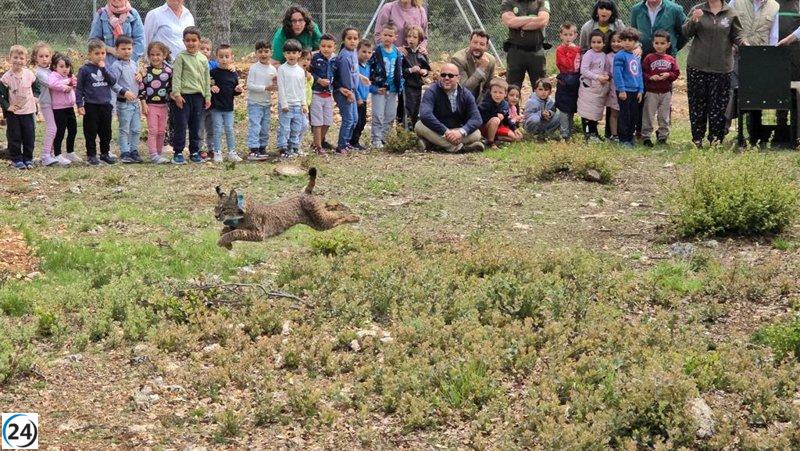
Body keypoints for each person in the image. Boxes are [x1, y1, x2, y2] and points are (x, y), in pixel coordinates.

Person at [683, 0, 745, 147]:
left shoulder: (731, 12)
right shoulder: (697, 9)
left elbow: (737, 35)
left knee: (718, 105)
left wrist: (744, 43)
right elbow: (686, 32)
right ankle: (697, 138)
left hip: (722, 67)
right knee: (697, 103)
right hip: (697, 65)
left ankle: (715, 139)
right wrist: (694, 20)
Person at [728, 0, 780, 146]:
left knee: (756, 96)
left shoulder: (774, 6)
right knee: (733, 92)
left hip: (760, 57)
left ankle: (754, 135)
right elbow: (728, 24)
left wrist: (769, 58)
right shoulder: (736, 2)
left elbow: (773, 35)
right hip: (736, 55)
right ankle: (724, 132)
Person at [77, 39, 132, 166]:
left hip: (105, 105)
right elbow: (79, 89)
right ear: (90, 54)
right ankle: (91, 155)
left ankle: (105, 153)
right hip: (91, 105)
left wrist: (103, 69)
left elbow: (112, 81)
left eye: (103, 53)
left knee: (106, 131)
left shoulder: (106, 68)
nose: (101, 56)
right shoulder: (84, 70)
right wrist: (80, 104)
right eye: (97, 53)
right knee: (91, 131)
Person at [415, 62, 484, 153]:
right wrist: (446, 131)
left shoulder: (466, 94)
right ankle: (458, 148)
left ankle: (432, 144)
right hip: (437, 130)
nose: (446, 78)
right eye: (443, 75)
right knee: (419, 126)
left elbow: (477, 119)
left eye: (451, 76)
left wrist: (460, 132)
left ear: (458, 78)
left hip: (456, 130)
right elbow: (425, 115)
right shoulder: (431, 91)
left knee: (476, 133)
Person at [170, 26, 211, 164]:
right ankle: (178, 152)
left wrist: (207, 96)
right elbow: (176, 77)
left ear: (199, 41)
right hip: (183, 97)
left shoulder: (203, 59)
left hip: (198, 97)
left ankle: (194, 151)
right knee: (181, 125)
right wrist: (176, 94)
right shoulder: (181, 57)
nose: (191, 43)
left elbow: (206, 79)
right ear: (183, 41)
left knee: (195, 126)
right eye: (188, 40)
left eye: (194, 40)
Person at [1, 45, 38, 170]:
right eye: (15, 57)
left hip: (28, 111)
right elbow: (1, 95)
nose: (18, 60)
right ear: (9, 58)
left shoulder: (29, 74)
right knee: (14, 136)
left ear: (26, 60)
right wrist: (7, 106)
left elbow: (36, 85)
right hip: (14, 113)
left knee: (29, 135)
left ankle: (28, 158)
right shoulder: (6, 77)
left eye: (21, 58)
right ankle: (16, 159)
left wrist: (36, 97)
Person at [641, 30, 680, 147]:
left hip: (666, 92)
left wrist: (669, 75)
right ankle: (646, 137)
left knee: (664, 116)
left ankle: (662, 136)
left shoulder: (670, 59)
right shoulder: (649, 58)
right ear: (653, 44)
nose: (659, 46)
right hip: (651, 91)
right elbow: (642, 73)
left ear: (668, 44)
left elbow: (676, 73)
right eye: (656, 43)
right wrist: (650, 77)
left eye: (662, 43)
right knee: (648, 114)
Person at [500, 0, 551, 90]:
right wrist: (532, 18)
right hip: (516, 53)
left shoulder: (542, 1)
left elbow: (542, 21)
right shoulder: (508, 2)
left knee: (541, 87)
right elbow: (510, 22)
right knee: (512, 88)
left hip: (536, 52)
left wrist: (519, 23)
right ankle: (513, 105)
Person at [369, 24, 404, 149]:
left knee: (390, 115)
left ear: (395, 37)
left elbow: (400, 70)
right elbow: (369, 69)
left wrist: (400, 84)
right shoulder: (376, 52)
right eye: (385, 35)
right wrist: (373, 86)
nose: (387, 38)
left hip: (393, 89)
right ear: (380, 36)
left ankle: (385, 138)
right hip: (379, 89)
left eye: (390, 35)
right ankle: (376, 140)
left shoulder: (397, 52)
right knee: (378, 114)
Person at [110, 35, 143, 163]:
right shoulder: (116, 66)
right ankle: (125, 152)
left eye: (129, 48)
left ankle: (134, 151)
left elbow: (137, 81)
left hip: (135, 103)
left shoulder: (134, 64)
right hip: (124, 104)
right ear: (117, 50)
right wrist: (124, 92)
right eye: (123, 49)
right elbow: (112, 83)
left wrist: (140, 76)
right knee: (124, 129)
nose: (126, 51)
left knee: (136, 129)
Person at [139, 41, 172, 164]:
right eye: (152, 55)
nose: (155, 57)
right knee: (153, 130)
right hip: (150, 105)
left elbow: (172, 88)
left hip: (164, 106)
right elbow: (142, 88)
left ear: (164, 55)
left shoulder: (169, 71)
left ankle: (159, 153)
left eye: (158, 54)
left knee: (161, 130)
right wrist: (143, 103)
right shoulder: (146, 71)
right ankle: (153, 154)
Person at [210, 44, 243, 163]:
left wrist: (238, 90)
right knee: (217, 129)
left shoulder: (233, 73)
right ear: (216, 57)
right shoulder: (213, 73)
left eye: (227, 56)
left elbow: (234, 90)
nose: (224, 59)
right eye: (221, 56)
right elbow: (207, 84)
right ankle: (217, 152)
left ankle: (231, 152)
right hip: (216, 107)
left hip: (229, 107)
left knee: (229, 129)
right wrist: (211, 87)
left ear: (231, 57)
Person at [89, 0, 145, 68]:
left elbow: (140, 41)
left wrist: (128, 60)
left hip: (129, 66)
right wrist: (110, 50)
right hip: (107, 67)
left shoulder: (133, 13)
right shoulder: (101, 14)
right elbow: (93, 42)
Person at [276, 39, 308, 158]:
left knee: (296, 127)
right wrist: (284, 104)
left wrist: (304, 104)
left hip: (298, 105)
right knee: (285, 128)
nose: (291, 55)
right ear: (285, 54)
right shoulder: (282, 69)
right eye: (288, 53)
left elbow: (302, 89)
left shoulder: (300, 71)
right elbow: (281, 87)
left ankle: (294, 146)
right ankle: (283, 148)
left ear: (299, 54)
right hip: (287, 105)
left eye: (294, 53)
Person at [577, 30, 611, 141]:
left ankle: (594, 133)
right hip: (588, 87)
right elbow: (584, 70)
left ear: (604, 43)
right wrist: (597, 77)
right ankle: (587, 134)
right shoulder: (588, 54)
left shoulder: (603, 55)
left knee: (595, 111)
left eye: (599, 42)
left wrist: (605, 76)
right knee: (587, 111)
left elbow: (605, 69)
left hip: (598, 88)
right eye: (594, 42)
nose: (596, 44)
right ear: (590, 43)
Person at [246, 41, 277, 161]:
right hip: (254, 103)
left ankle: (262, 147)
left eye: (266, 51)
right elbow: (249, 85)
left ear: (271, 52)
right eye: (260, 52)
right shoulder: (254, 68)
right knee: (255, 126)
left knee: (265, 127)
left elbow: (275, 85)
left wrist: (276, 85)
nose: (263, 54)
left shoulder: (273, 69)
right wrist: (265, 88)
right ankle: (253, 149)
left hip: (266, 103)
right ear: (256, 53)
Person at [614, 28, 644, 148]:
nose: (627, 43)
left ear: (635, 42)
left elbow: (639, 74)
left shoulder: (636, 55)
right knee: (624, 115)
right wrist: (621, 89)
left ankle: (630, 137)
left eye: (630, 40)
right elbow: (617, 74)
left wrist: (641, 90)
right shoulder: (620, 56)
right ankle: (623, 139)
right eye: (624, 40)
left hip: (635, 91)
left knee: (633, 115)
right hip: (624, 91)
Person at [333, 27, 361, 154]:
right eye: (349, 38)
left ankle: (347, 142)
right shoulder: (344, 56)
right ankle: (341, 145)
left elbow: (354, 72)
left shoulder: (354, 53)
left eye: (355, 39)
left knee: (354, 119)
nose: (352, 41)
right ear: (344, 40)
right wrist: (349, 93)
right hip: (344, 92)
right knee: (348, 119)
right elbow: (345, 77)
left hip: (352, 91)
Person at [48, 53, 79, 165]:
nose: (65, 69)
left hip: (70, 108)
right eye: (61, 66)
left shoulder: (70, 77)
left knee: (73, 130)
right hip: (58, 109)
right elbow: (52, 84)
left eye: (67, 66)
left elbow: (74, 88)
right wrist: (66, 84)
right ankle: (57, 154)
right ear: (55, 67)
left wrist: (74, 84)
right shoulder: (54, 76)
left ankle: (70, 151)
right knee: (60, 131)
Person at [451, 31, 496, 103]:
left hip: (481, 100)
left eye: (482, 44)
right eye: (475, 43)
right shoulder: (458, 59)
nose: (477, 47)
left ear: (486, 47)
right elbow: (463, 89)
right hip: (461, 100)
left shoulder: (491, 60)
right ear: (470, 42)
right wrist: (481, 69)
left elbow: (489, 86)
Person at [32, 42, 58, 166]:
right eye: (41, 56)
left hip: (55, 103)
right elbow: (51, 84)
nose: (44, 59)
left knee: (56, 128)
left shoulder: (49, 70)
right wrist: (67, 82)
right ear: (35, 58)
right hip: (46, 103)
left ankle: (52, 153)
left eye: (47, 56)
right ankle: (45, 155)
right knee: (52, 128)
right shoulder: (39, 73)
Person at [310, 34, 336, 154]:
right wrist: (319, 80)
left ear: (334, 47)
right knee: (317, 121)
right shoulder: (315, 58)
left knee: (328, 121)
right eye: (323, 46)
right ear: (319, 46)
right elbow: (309, 72)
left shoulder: (335, 59)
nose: (326, 49)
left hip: (329, 94)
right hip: (316, 93)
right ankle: (318, 147)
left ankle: (317, 142)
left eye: (329, 46)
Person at [401, 25, 430, 130]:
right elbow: (399, 71)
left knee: (416, 109)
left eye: (414, 37)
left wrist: (424, 71)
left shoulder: (422, 54)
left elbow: (427, 69)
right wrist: (410, 70)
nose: (411, 39)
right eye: (409, 37)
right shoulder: (403, 53)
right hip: (406, 86)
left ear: (420, 40)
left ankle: (414, 132)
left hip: (417, 86)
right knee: (406, 109)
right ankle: (404, 134)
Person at [479, 78, 521, 148]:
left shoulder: (505, 104)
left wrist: (514, 128)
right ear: (490, 92)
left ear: (505, 94)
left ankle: (494, 138)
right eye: (495, 92)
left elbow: (507, 118)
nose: (497, 95)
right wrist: (495, 115)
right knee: (496, 119)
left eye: (500, 92)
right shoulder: (486, 103)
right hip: (485, 127)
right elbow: (480, 117)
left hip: (498, 127)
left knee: (516, 137)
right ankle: (490, 142)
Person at [555, 22, 581, 140]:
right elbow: (566, 64)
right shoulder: (560, 50)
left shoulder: (578, 49)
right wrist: (572, 52)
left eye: (570, 35)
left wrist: (574, 50)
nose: (568, 37)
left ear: (575, 35)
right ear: (560, 35)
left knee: (571, 108)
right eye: (565, 34)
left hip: (575, 81)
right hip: (565, 80)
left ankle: (570, 132)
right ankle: (564, 134)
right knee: (564, 108)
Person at [351, 39, 373, 150]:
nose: (366, 55)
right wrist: (358, 97)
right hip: (356, 98)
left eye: (369, 52)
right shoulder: (355, 66)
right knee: (356, 121)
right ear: (357, 51)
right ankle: (351, 142)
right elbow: (354, 84)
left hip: (364, 99)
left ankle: (356, 141)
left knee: (363, 121)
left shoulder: (368, 66)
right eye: (363, 52)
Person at [198, 38, 215, 157]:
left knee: (212, 126)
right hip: (200, 100)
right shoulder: (196, 63)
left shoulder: (214, 64)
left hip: (213, 101)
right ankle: (200, 148)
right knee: (200, 127)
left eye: (208, 49)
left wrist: (232, 67)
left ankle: (212, 148)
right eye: (202, 49)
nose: (205, 51)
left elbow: (225, 69)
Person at [605, 31, 623, 140]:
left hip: (626, 88)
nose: (616, 44)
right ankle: (614, 135)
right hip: (613, 89)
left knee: (625, 112)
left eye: (619, 41)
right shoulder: (608, 56)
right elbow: (606, 71)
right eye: (613, 41)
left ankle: (625, 133)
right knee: (614, 112)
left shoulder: (628, 55)